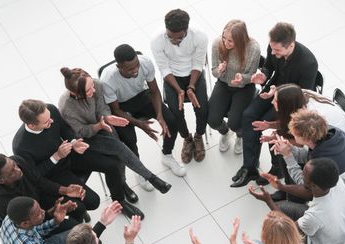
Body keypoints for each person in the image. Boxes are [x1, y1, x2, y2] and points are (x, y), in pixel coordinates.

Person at [58, 67, 173, 219]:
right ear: (76, 93)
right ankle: (149, 178)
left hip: (104, 125)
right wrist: (99, 125)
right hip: (84, 140)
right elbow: (80, 132)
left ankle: (123, 184)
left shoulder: (97, 85)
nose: (93, 90)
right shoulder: (66, 106)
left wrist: (106, 118)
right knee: (118, 148)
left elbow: (103, 108)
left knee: (118, 151)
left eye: (92, 86)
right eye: (88, 90)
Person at [231, 22, 318, 187]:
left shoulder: (309, 63)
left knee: (276, 130)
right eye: (272, 48)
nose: (272, 52)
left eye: (277, 50)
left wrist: (276, 93)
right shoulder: (274, 46)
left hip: (291, 102)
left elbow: (302, 95)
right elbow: (269, 66)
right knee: (249, 115)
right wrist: (263, 75)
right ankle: (249, 167)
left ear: (290, 45)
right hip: (272, 90)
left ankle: (277, 168)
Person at [100, 44, 186, 187]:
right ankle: (139, 170)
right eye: (130, 69)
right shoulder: (107, 79)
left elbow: (154, 91)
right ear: (119, 66)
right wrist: (139, 124)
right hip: (122, 106)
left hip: (142, 96)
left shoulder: (145, 62)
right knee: (128, 138)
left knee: (170, 120)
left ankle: (167, 154)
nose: (135, 71)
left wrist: (159, 116)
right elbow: (115, 110)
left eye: (137, 66)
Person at [254, 84, 345, 199]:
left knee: (285, 152)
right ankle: (285, 183)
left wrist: (288, 154)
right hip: (333, 135)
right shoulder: (298, 102)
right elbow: (288, 124)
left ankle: (293, 196)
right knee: (282, 145)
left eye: (275, 101)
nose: (272, 103)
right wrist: (271, 127)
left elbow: (305, 183)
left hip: (344, 185)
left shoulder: (319, 155)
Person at [13, 100, 101, 223]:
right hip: (54, 174)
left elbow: (64, 129)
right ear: (32, 125)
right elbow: (35, 176)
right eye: (46, 122)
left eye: (50, 117)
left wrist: (74, 142)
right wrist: (56, 157)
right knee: (92, 202)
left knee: (109, 162)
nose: (52, 121)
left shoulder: (50, 110)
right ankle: (78, 221)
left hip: (70, 154)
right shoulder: (20, 146)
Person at [250, 158, 345, 244]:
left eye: (304, 175)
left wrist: (268, 200)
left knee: (279, 235)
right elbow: (308, 192)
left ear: (314, 186)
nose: (301, 175)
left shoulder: (315, 216)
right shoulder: (335, 181)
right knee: (280, 207)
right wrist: (281, 186)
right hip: (341, 236)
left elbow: (288, 231)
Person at [268, 109, 345, 204]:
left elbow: (304, 183)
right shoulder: (327, 131)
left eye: (294, 134)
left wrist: (288, 156)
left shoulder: (323, 160)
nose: (291, 133)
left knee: (310, 186)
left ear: (306, 139)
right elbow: (310, 155)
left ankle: (295, 204)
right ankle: (290, 196)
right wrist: (291, 149)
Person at [151, 8, 209, 164]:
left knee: (202, 109)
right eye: (169, 36)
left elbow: (198, 63)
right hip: (172, 77)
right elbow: (164, 68)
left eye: (177, 38)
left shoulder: (200, 36)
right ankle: (187, 139)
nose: (173, 40)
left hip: (193, 74)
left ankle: (198, 137)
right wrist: (179, 90)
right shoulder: (157, 40)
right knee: (175, 113)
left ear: (186, 30)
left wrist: (191, 87)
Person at [0, 152, 86, 231]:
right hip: (36, 222)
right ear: (1, 180)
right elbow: (26, 228)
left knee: (79, 208)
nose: (18, 170)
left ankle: (77, 222)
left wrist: (66, 190)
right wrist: (51, 213)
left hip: (41, 202)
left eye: (14, 165)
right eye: (11, 173)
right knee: (75, 227)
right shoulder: (0, 204)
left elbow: (39, 181)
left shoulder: (16, 161)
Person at [208, 19, 260, 154]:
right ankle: (225, 132)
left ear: (241, 40)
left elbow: (252, 76)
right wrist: (219, 70)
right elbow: (214, 71)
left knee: (235, 123)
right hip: (224, 84)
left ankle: (240, 136)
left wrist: (242, 79)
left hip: (244, 87)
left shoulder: (253, 48)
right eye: (224, 38)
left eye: (230, 41)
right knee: (212, 120)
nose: (225, 43)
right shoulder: (217, 44)